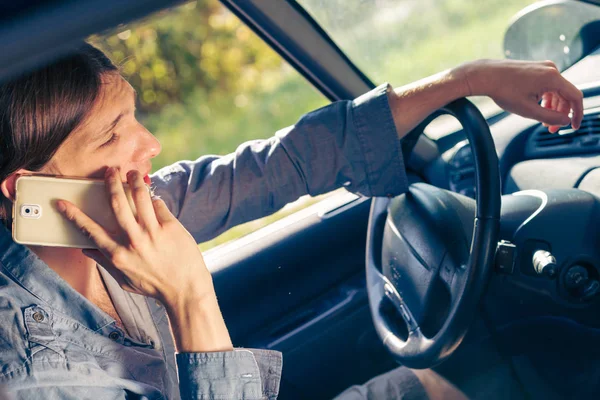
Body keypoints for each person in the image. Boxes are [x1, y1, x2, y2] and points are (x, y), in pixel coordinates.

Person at [0, 42, 582, 400]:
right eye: (111, 135)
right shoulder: (26, 378)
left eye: (134, 118)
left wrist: (470, 80)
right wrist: (190, 299)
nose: (149, 144)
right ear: (27, 189)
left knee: (434, 388)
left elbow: (280, 165)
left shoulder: (122, 214)